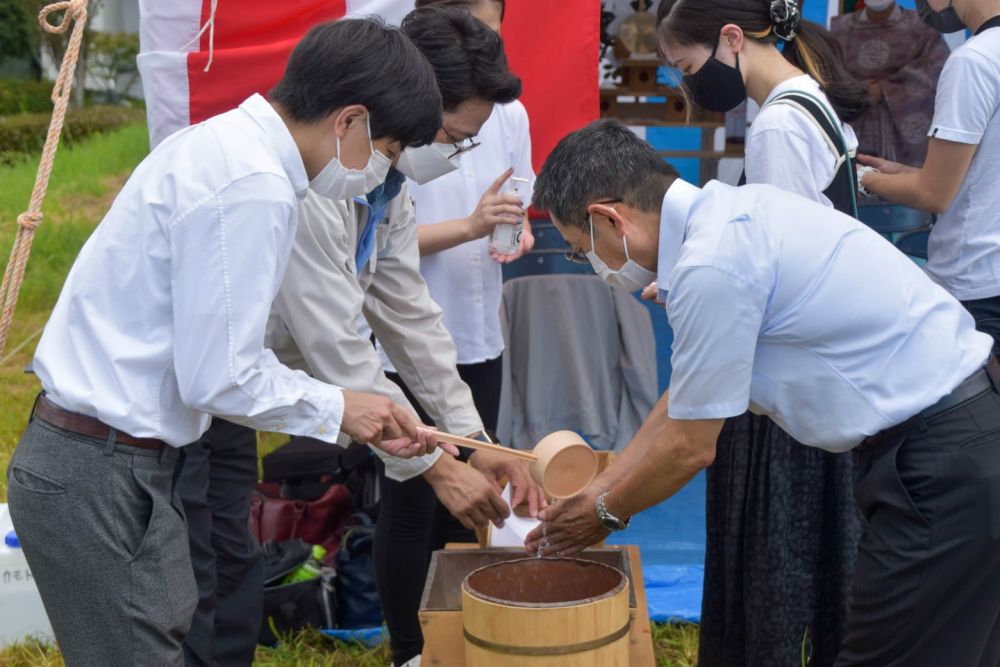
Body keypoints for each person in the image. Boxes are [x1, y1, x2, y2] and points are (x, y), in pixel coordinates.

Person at [6, 18, 453, 667]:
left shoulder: (227, 148)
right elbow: (219, 375)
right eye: (384, 148)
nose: (377, 170)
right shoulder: (252, 186)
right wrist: (342, 407)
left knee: (170, 628)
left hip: (118, 458)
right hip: (96, 467)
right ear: (348, 121)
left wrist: (353, 401)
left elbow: (221, 343)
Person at [525, 119, 1000, 667]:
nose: (592, 265)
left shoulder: (711, 263)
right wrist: (604, 483)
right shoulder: (737, 212)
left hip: (943, 463)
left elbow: (690, 445)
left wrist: (604, 514)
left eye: (580, 249)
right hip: (966, 434)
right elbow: (689, 394)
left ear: (610, 219)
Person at [266, 8, 545, 667]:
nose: (451, 156)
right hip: (216, 392)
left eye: (467, 143)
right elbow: (340, 346)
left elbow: (410, 314)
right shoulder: (322, 181)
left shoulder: (389, 181)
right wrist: (437, 463)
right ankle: (410, 652)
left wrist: (474, 441)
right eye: (449, 136)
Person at [655, 1, 869, 662]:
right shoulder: (805, 97)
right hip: (829, 365)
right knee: (824, 560)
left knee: (773, 563)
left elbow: (784, 274)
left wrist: (701, 290)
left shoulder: (778, 122)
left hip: (791, 379)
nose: (689, 87)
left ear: (729, 39)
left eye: (688, 69)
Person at [859, 0, 1000, 358]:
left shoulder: (976, 61)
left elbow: (934, 194)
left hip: (976, 280)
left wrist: (862, 176)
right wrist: (905, 173)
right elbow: (982, 173)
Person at [831, 1, 950, 171]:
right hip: (854, 125)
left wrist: (884, 89)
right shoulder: (839, 29)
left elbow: (936, 70)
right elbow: (827, 74)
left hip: (906, 136)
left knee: (905, 187)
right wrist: (855, 90)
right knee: (854, 183)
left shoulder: (923, 26)